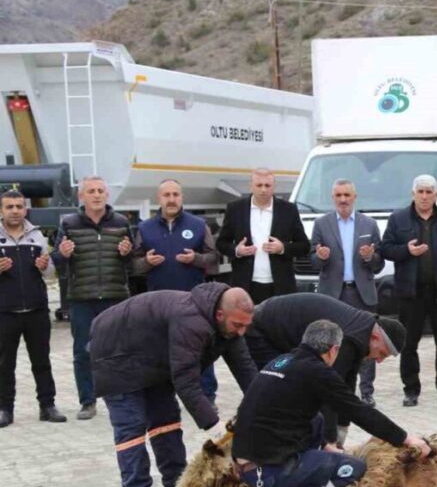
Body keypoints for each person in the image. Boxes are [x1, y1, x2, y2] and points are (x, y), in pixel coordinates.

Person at [233, 319, 430, 487]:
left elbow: (303, 416)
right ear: (334, 350)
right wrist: (406, 439)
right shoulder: (316, 371)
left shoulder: (282, 361)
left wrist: (325, 444)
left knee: (316, 418)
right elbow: (360, 411)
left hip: (245, 465)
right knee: (352, 469)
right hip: (266, 472)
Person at [88, 284, 258, 487]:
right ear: (220, 315)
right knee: (132, 428)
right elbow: (187, 383)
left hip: (152, 360)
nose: (241, 332)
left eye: (245, 326)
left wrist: (265, 405)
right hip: (116, 355)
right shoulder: (191, 321)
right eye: (237, 325)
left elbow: (245, 369)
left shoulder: (229, 328)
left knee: (166, 421)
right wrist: (218, 431)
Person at [244, 292, 405, 443]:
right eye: (382, 353)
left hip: (282, 329)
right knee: (281, 392)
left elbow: (347, 384)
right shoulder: (348, 340)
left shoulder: (361, 333)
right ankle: (265, 448)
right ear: (375, 337)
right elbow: (329, 395)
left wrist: (342, 427)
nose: (379, 361)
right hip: (262, 329)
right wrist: (330, 440)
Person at [53, 175, 133, 420]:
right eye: (91, 191)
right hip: (81, 298)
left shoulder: (121, 222)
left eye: (100, 190)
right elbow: (56, 261)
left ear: (107, 195)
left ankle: (122, 396)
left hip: (114, 296)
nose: (96, 195)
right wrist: (62, 254)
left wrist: (127, 254)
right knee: (82, 352)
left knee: (118, 350)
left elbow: (134, 260)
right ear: (81, 196)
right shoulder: (69, 223)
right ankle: (88, 401)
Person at [132, 179, 220, 401]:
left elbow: (214, 259)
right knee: (161, 352)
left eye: (175, 195)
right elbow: (133, 265)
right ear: (158, 198)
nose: (171, 199)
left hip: (193, 301)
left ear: (182, 197)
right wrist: (147, 262)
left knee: (200, 350)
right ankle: (163, 398)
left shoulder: (199, 225)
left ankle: (206, 396)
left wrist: (196, 259)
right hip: (159, 303)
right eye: (166, 195)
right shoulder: (144, 228)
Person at [381, 175, 437, 406]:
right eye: (421, 192)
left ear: (436, 195)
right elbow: (386, 248)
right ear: (413, 194)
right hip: (411, 292)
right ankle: (411, 390)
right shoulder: (398, 219)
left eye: (429, 192)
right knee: (409, 344)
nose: (425, 196)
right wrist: (406, 251)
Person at [309, 178, 384, 404]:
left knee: (366, 341)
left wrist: (370, 257)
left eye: (347, 195)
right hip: (333, 294)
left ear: (354, 197)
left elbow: (379, 263)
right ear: (333, 198)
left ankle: (367, 392)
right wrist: (320, 257)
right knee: (331, 342)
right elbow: (312, 260)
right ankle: (333, 389)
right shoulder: (321, 224)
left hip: (361, 293)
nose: (343, 200)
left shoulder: (369, 225)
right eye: (338, 195)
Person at [0, 190, 65, 427]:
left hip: (36, 310)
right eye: (9, 207)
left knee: (42, 361)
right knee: (4, 364)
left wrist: (44, 265)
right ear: (1, 210)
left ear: (25, 209)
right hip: (5, 312)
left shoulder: (36, 235)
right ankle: (5, 409)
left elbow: (49, 274)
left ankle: (47, 406)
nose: (15, 211)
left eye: (19, 206)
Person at [215, 168, 309, 304]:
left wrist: (282, 248)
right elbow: (221, 243)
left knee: (279, 324)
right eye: (259, 185)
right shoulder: (236, 209)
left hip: (280, 285)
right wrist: (237, 250)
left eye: (267, 185)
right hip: (246, 284)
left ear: (273, 186)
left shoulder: (288, 210)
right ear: (251, 186)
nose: (263, 190)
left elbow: (304, 246)